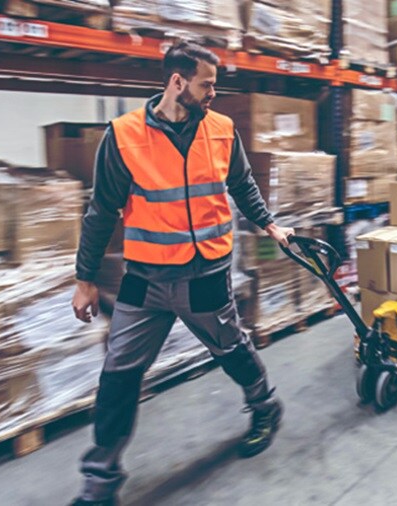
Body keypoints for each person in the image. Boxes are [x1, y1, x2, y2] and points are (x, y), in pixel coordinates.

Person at [70, 41, 294, 506]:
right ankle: (100, 482)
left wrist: (268, 222)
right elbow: (100, 211)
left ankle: (265, 408)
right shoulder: (124, 135)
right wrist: (85, 278)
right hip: (145, 280)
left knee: (231, 348)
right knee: (118, 375)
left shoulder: (222, 129)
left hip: (205, 274)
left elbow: (241, 183)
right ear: (177, 82)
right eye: (207, 83)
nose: (214, 91)